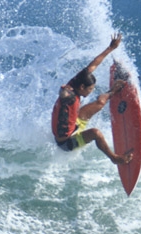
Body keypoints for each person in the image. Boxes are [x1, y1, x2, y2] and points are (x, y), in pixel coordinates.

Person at [51, 33, 133, 165]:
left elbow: (93, 66)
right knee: (96, 133)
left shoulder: (76, 82)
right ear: (82, 87)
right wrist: (63, 92)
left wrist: (111, 48)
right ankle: (115, 158)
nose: (91, 91)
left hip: (74, 123)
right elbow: (63, 95)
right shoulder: (69, 96)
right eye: (89, 89)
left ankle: (113, 91)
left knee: (100, 102)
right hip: (66, 142)